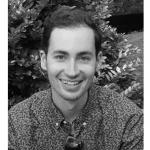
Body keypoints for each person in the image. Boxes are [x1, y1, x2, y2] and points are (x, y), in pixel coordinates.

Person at [8, 6, 143, 150]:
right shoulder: (16, 125)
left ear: (97, 61)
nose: (72, 72)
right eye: (60, 57)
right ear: (43, 60)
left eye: (83, 58)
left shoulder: (128, 120)